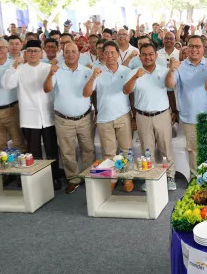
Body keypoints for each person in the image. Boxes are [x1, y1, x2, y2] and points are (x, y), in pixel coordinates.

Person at [1, 40, 62, 190]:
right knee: (33, 152)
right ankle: (36, 179)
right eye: (30, 51)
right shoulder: (19, 69)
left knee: (51, 150)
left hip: (49, 116)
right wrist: (13, 66)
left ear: (41, 53)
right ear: (25, 53)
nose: (33, 54)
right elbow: (7, 85)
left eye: (36, 51)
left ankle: (54, 177)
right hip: (29, 118)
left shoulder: (49, 68)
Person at [123, 43, 177, 191]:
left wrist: (174, 111)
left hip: (162, 115)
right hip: (142, 116)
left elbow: (170, 88)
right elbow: (126, 91)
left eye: (151, 54)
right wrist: (135, 77)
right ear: (140, 56)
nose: (148, 57)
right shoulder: (133, 72)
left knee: (166, 147)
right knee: (147, 149)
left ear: (156, 55)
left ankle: (170, 176)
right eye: (144, 54)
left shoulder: (164, 71)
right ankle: (150, 177)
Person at [83, 41, 135, 192]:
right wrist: (93, 77)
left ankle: (127, 178)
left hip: (123, 115)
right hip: (104, 119)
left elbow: (130, 94)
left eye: (113, 52)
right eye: (107, 53)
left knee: (126, 150)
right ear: (102, 54)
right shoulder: (97, 71)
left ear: (118, 54)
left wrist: (133, 116)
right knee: (109, 153)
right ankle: (111, 179)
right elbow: (86, 93)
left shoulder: (126, 71)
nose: (110, 55)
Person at [43, 42, 95, 194]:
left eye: (74, 51)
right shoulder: (56, 71)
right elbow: (46, 89)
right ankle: (73, 179)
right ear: (63, 54)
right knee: (67, 151)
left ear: (79, 54)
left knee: (88, 149)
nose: (71, 54)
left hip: (84, 118)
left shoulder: (87, 71)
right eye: (67, 52)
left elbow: (90, 92)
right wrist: (50, 74)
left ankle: (89, 176)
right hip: (63, 119)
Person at [166, 35, 207, 178]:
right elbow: (170, 85)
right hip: (190, 117)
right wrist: (171, 71)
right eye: (191, 46)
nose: (194, 49)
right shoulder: (179, 66)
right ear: (186, 48)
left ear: (203, 48)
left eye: (198, 46)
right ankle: (197, 181)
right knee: (194, 151)